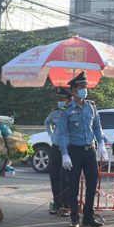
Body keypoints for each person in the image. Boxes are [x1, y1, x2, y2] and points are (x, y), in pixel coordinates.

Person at [57, 71, 108, 227]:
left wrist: (101, 144)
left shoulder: (91, 107)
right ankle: (74, 218)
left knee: (92, 184)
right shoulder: (66, 110)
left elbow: (97, 127)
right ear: (72, 90)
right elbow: (63, 134)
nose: (83, 90)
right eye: (80, 87)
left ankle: (88, 217)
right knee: (73, 186)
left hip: (89, 151)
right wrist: (65, 154)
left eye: (85, 87)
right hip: (74, 151)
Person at [44, 88, 72, 216]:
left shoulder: (72, 112)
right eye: (59, 99)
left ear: (69, 100)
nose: (60, 101)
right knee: (54, 176)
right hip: (55, 147)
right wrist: (51, 135)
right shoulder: (54, 113)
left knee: (65, 178)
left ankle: (66, 205)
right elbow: (47, 122)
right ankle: (56, 203)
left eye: (62, 99)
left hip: (68, 148)